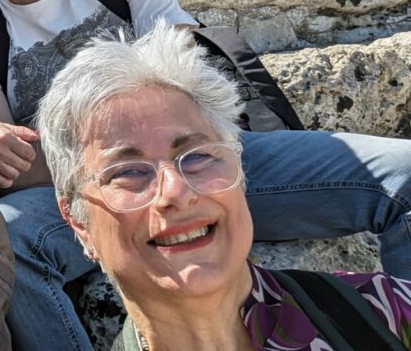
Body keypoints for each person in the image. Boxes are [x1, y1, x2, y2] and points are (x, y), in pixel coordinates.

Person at [0, 0, 411, 351]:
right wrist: (119, 167)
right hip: (103, 195)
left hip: (205, 161)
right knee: (11, 242)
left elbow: (186, 73)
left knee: (402, 175)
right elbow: (10, 163)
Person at [37, 23, 411, 351]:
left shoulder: (385, 315)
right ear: (77, 222)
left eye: (198, 156)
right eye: (128, 172)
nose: (176, 192)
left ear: (241, 171)